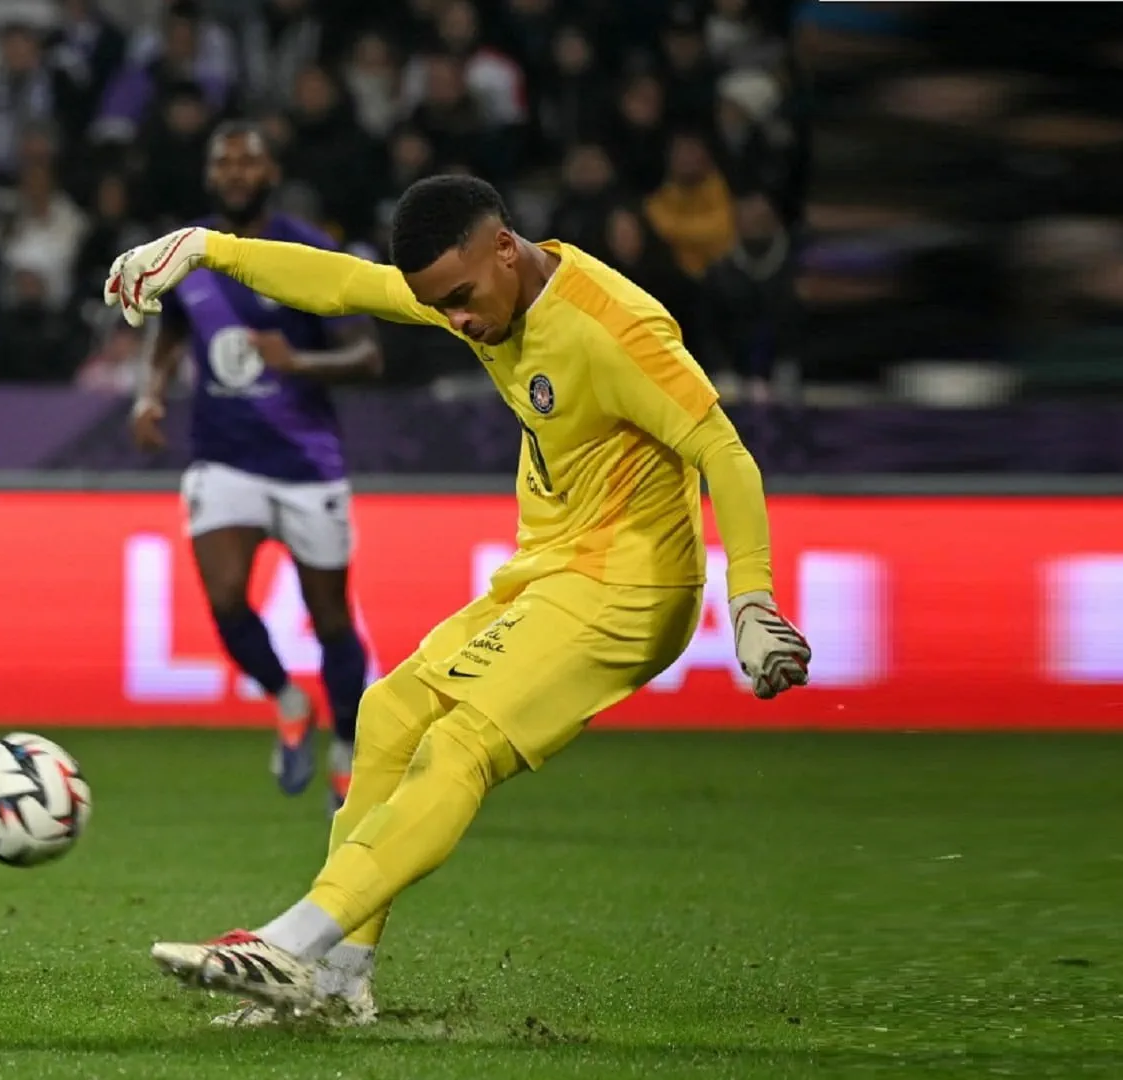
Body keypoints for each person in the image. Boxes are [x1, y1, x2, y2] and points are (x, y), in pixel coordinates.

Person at [104, 175, 811, 1024]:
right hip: (549, 568)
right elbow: (342, 282)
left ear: (503, 247)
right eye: (442, 308)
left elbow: (725, 454)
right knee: (387, 715)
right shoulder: (477, 293)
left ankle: (293, 944)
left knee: (461, 745)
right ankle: (339, 986)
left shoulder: (615, 328)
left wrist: (752, 601)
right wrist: (206, 249)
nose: (461, 323)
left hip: (629, 587)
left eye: (465, 299)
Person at [129, 120, 382, 814]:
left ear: (271, 174)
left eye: (249, 162)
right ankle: (285, 694)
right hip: (224, 455)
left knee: (331, 617)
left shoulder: (309, 249)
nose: (236, 173)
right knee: (225, 597)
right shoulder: (193, 250)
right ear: (212, 175)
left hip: (308, 462)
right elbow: (171, 325)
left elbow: (368, 355)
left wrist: (299, 361)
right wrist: (151, 393)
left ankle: (347, 744)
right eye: (225, 163)